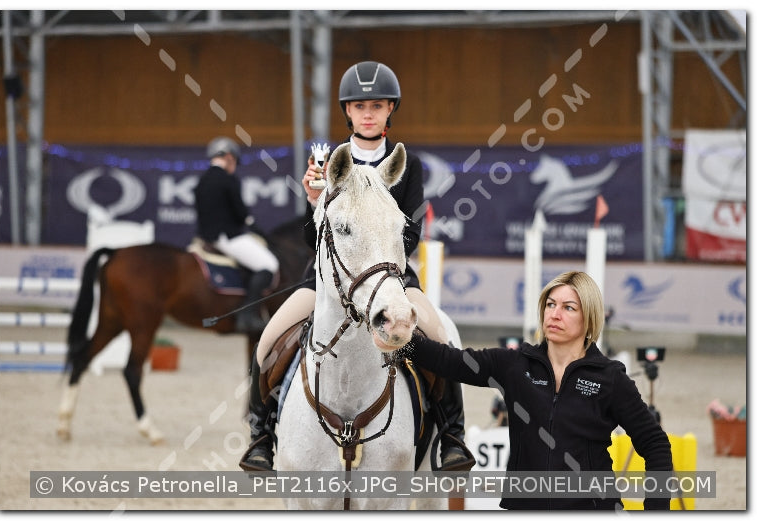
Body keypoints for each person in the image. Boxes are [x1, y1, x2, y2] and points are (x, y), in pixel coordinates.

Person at [239, 61, 473, 473]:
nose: (368, 113)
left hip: (390, 278)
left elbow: (411, 232)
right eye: (360, 105)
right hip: (325, 281)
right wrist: (315, 203)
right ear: (347, 110)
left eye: (377, 105)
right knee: (267, 343)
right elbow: (317, 234)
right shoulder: (329, 163)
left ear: (389, 110)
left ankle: (453, 435)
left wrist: (377, 265)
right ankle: (261, 435)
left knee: (441, 339)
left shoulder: (406, 165)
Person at [405, 271, 673, 510]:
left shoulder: (609, 378)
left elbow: (656, 445)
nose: (554, 314)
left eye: (569, 308)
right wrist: (400, 336)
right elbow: (449, 361)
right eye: (550, 304)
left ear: (589, 319)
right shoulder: (515, 365)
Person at [194, 136, 279, 332]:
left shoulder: (203, 180)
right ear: (229, 157)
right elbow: (240, 213)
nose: (235, 166)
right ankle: (247, 315)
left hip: (207, 237)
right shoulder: (228, 180)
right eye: (235, 162)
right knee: (269, 265)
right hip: (226, 236)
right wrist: (254, 226)